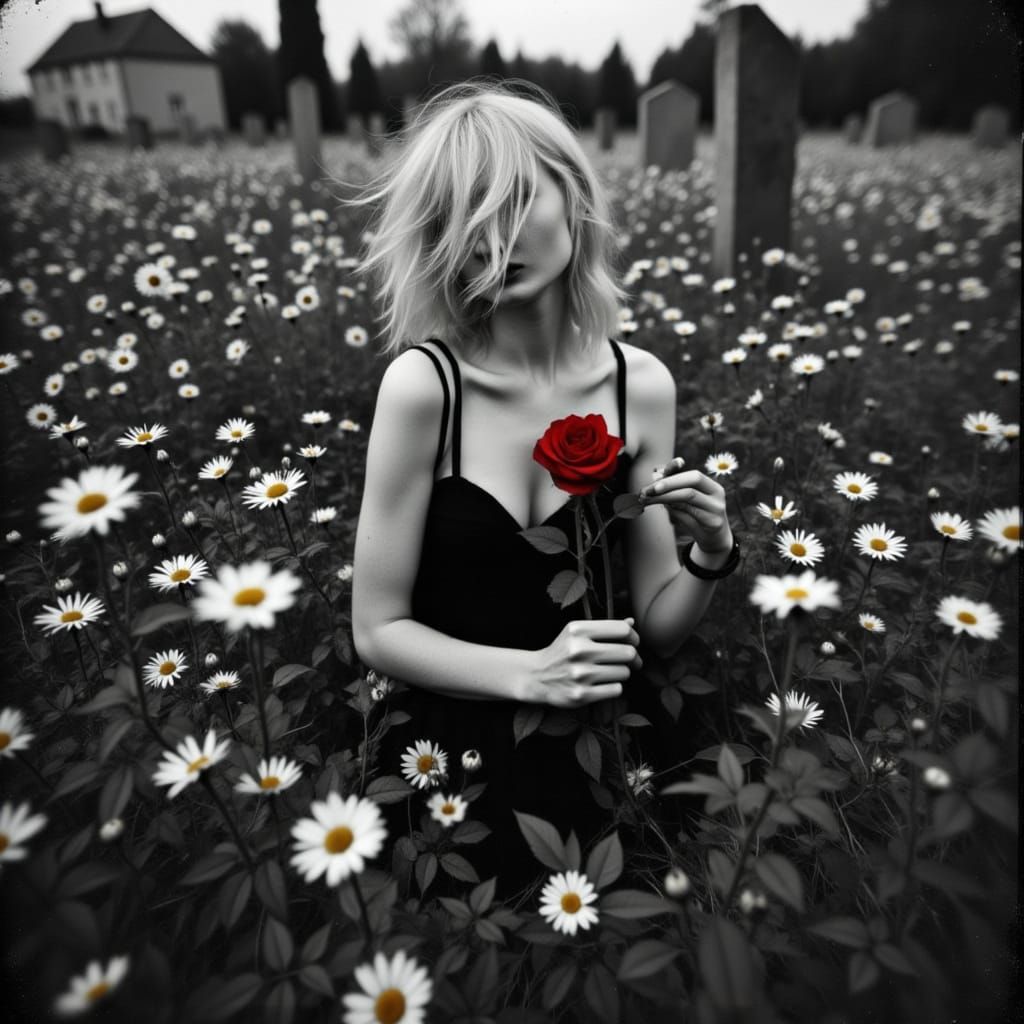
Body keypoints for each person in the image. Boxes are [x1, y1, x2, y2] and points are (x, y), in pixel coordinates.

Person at [351, 82, 736, 896]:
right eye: (465, 214)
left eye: (520, 199)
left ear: (574, 194)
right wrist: (529, 674)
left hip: (613, 747)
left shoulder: (642, 387)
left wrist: (711, 552)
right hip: (456, 755)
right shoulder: (426, 388)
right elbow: (378, 629)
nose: (496, 236)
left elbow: (657, 629)